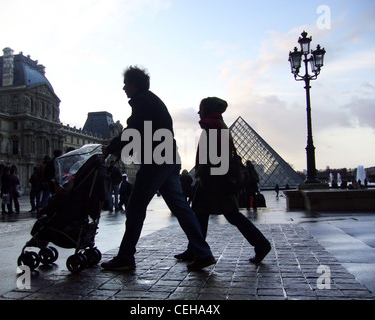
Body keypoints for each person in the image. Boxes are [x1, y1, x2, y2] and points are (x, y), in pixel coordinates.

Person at [101, 65, 215, 271]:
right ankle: (203, 252)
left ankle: (126, 257)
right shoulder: (150, 100)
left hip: (157, 160)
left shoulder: (142, 101)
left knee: (135, 207)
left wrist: (111, 147)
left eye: (126, 83)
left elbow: (134, 131)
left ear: (134, 84)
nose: (123, 87)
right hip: (169, 158)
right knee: (180, 207)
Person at [174, 97, 271, 264]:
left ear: (208, 109)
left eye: (201, 108)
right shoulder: (218, 124)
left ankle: (261, 244)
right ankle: (194, 249)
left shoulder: (212, 126)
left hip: (215, 181)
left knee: (228, 215)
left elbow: (214, 155)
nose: (198, 111)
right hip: (215, 179)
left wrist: (204, 172)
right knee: (203, 215)